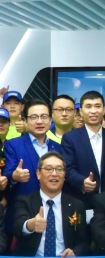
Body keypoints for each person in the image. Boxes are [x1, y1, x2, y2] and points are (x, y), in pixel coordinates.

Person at [4, 99, 61, 240]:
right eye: (34, 117)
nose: (39, 121)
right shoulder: (13, 144)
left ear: (51, 119)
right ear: (26, 120)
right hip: (23, 210)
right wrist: (14, 176)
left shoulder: (58, 146)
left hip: (53, 210)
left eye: (44, 116)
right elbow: (7, 172)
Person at [62, 91, 105, 209]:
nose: (93, 111)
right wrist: (82, 182)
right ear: (81, 111)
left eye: (97, 106)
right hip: (81, 201)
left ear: (104, 110)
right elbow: (67, 168)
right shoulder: (70, 138)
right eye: (88, 106)